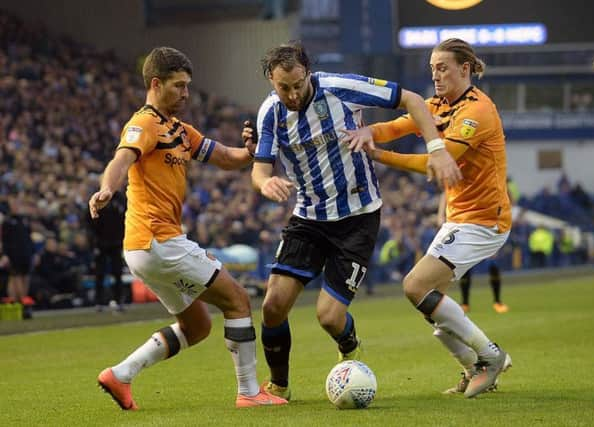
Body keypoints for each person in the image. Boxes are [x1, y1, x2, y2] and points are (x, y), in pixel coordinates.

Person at [246, 41, 461, 400]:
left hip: (357, 217)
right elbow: (259, 168)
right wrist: (265, 181)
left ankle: (350, 347)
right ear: (272, 79)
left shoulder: (340, 89)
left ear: (308, 73)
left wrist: (436, 149)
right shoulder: (269, 113)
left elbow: (411, 99)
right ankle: (278, 386)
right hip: (309, 217)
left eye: (299, 84)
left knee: (328, 317)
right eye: (284, 87)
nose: (294, 94)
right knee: (272, 306)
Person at [88, 46, 287, 410]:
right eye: (178, 86)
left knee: (197, 326)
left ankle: (121, 374)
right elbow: (122, 158)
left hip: (149, 248)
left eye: (187, 86)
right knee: (238, 300)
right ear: (155, 83)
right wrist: (106, 188)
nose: (185, 93)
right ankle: (249, 392)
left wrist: (252, 151)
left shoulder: (178, 130)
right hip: (157, 241)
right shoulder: (145, 123)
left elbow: (226, 158)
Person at [343, 38, 512, 398]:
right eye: (432, 67)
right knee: (433, 305)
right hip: (458, 217)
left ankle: (490, 357)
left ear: (465, 69)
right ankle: (473, 368)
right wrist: (367, 132)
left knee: (414, 286)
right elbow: (397, 125)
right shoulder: (436, 104)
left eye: (443, 67)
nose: (435, 75)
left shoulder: (477, 112)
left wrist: (379, 156)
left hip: (484, 220)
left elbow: (434, 162)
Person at [437, 192, 509, 314]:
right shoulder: (456, 186)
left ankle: (498, 301)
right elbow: (445, 196)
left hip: (485, 228)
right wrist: (441, 218)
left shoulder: (489, 183)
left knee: (493, 265)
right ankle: (464, 303)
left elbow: (505, 199)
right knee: (464, 267)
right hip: (462, 229)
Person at [88, 190, 126, 311]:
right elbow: (90, 219)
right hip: (101, 243)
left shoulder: (120, 199)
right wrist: (94, 241)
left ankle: (118, 300)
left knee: (117, 272)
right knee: (100, 273)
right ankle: (99, 301)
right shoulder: (98, 196)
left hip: (116, 242)